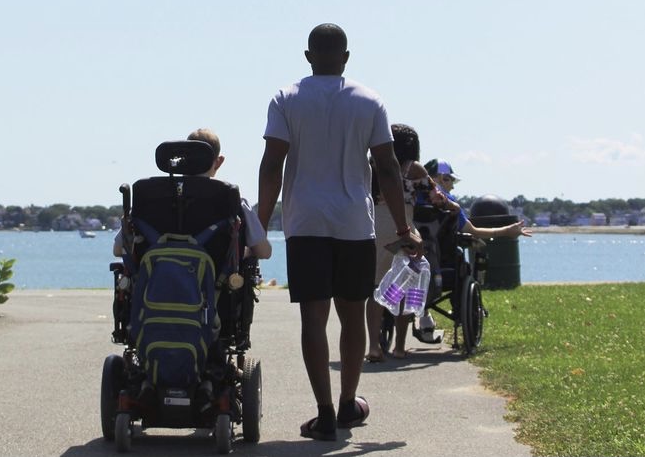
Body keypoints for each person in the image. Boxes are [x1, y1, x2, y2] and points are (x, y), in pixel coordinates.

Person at [257, 23, 422, 441]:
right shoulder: (369, 100)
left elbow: (272, 163)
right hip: (354, 223)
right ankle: (349, 402)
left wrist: (259, 222)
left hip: (305, 222)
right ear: (346, 57)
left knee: (314, 318)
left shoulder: (286, 98)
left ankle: (325, 413)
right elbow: (386, 167)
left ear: (308, 56)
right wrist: (404, 227)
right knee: (353, 315)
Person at [410, 158, 533, 342]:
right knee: (461, 263)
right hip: (445, 270)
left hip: (408, 261)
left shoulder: (407, 199)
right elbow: (473, 231)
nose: (452, 186)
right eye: (450, 179)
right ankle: (459, 310)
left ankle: (422, 317)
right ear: (439, 179)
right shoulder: (449, 204)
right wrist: (508, 231)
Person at [112, 128, 271, 261]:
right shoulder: (232, 199)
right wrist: (245, 253)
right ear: (219, 161)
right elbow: (264, 252)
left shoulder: (148, 197)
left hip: (153, 291)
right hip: (216, 295)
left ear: (183, 159)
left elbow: (118, 249)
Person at [365, 124, 440, 361]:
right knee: (402, 287)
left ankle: (374, 347)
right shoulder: (411, 168)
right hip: (402, 230)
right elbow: (435, 195)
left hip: (374, 229)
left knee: (375, 290)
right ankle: (398, 347)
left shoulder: (372, 166)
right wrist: (451, 206)